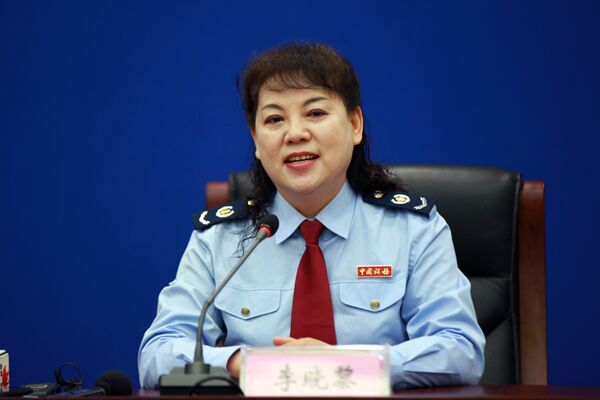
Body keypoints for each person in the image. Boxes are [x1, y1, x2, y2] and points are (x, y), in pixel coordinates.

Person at [138, 43, 485, 389]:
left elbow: (460, 350)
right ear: (256, 141)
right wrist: (243, 362)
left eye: (315, 113)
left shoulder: (413, 230)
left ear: (355, 125)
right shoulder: (220, 239)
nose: (295, 134)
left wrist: (346, 366)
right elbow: (158, 352)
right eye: (275, 119)